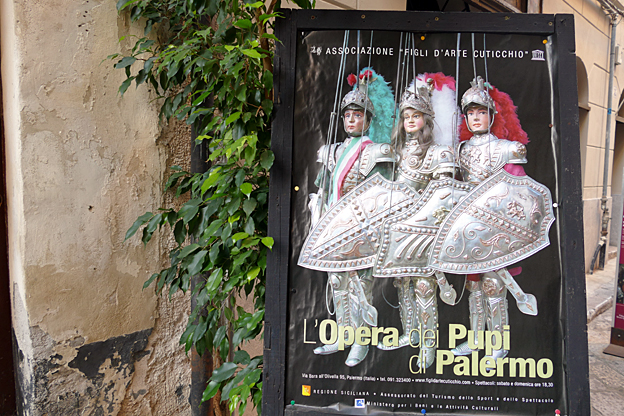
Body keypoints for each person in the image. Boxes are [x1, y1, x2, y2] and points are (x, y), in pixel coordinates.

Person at [309, 70, 396, 367]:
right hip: (335, 226)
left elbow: (385, 195)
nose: (351, 120)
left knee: (361, 285)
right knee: (338, 281)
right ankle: (343, 334)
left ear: (368, 121)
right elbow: (323, 187)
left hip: (363, 228)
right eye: (347, 116)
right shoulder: (333, 152)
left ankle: (362, 341)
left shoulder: (376, 152)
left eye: (357, 116)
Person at [376, 75, 458, 370]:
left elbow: (446, 197)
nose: (410, 120)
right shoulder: (396, 152)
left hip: (426, 230)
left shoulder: (440, 153)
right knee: (402, 283)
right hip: (398, 226)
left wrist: (427, 223)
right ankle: (410, 333)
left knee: (424, 287)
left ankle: (428, 345)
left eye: (416, 115)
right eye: (406, 116)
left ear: (427, 119)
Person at [452, 76, 532, 360]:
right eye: (471, 113)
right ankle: (475, 340)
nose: (475, 118)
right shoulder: (460, 151)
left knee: (493, 285)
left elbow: (521, 195)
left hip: (498, 230)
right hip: (469, 229)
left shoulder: (508, 149)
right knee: (473, 285)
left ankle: (498, 344)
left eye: (481, 112)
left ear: (492, 115)